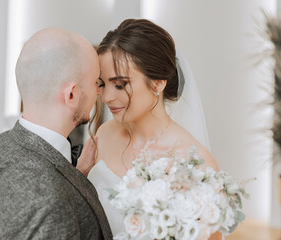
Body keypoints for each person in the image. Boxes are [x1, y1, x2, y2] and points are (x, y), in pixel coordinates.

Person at [0, 28, 112, 239]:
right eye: (96, 83)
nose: (100, 92)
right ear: (72, 94)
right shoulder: (45, 195)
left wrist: (75, 177)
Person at [88, 19, 221, 239]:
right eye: (102, 84)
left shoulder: (196, 162)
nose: (107, 97)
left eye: (120, 84)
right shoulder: (104, 134)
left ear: (158, 83)